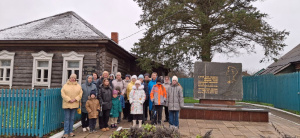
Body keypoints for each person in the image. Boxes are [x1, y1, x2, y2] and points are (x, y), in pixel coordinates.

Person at [61, 74, 83, 138]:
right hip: (67, 104)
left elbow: (80, 94)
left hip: (74, 104)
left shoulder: (78, 86)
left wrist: (75, 99)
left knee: (72, 119)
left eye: (74, 78)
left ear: (76, 79)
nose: (73, 79)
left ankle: (71, 131)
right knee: (67, 119)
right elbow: (63, 94)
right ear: (69, 78)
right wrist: (69, 99)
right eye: (71, 77)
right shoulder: (65, 86)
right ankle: (66, 132)